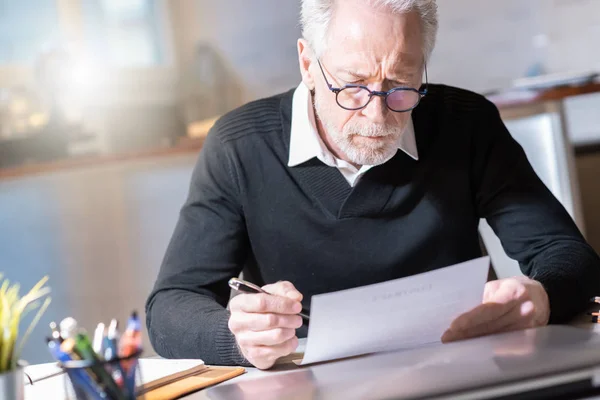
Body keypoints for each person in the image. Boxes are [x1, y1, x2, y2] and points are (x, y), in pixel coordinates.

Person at [146, 0, 600, 370]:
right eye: (353, 85)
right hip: (312, 383)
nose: (377, 116)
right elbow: (169, 309)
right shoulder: (240, 146)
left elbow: (569, 256)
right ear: (308, 63)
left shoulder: (466, 124)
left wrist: (540, 298)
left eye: (401, 85)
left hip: (464, 371)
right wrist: (237, 335)